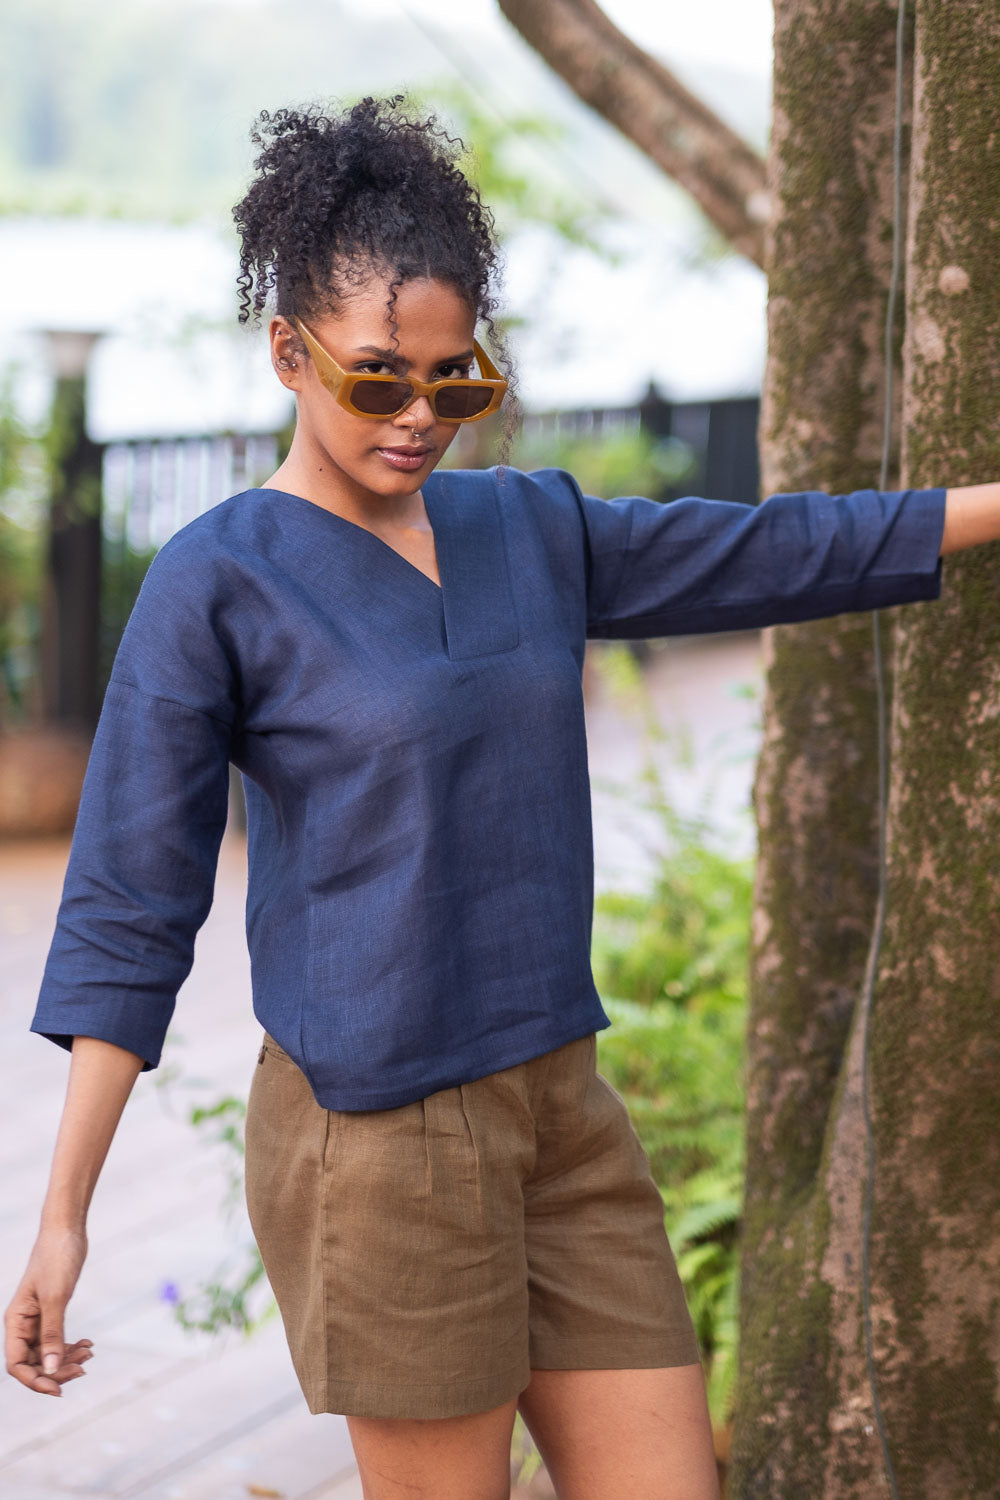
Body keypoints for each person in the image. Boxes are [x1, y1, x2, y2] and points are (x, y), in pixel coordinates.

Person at [5, 95, 1000, 1500]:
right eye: (378, 381)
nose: (421, 419)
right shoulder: (218, 582)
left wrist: (993, 504)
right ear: (287, 351)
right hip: (380, 1144)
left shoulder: (527, 526)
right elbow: (127, 902)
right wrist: (62, 1218)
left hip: (563, 1108)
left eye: (454, 382)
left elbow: (782, 549)